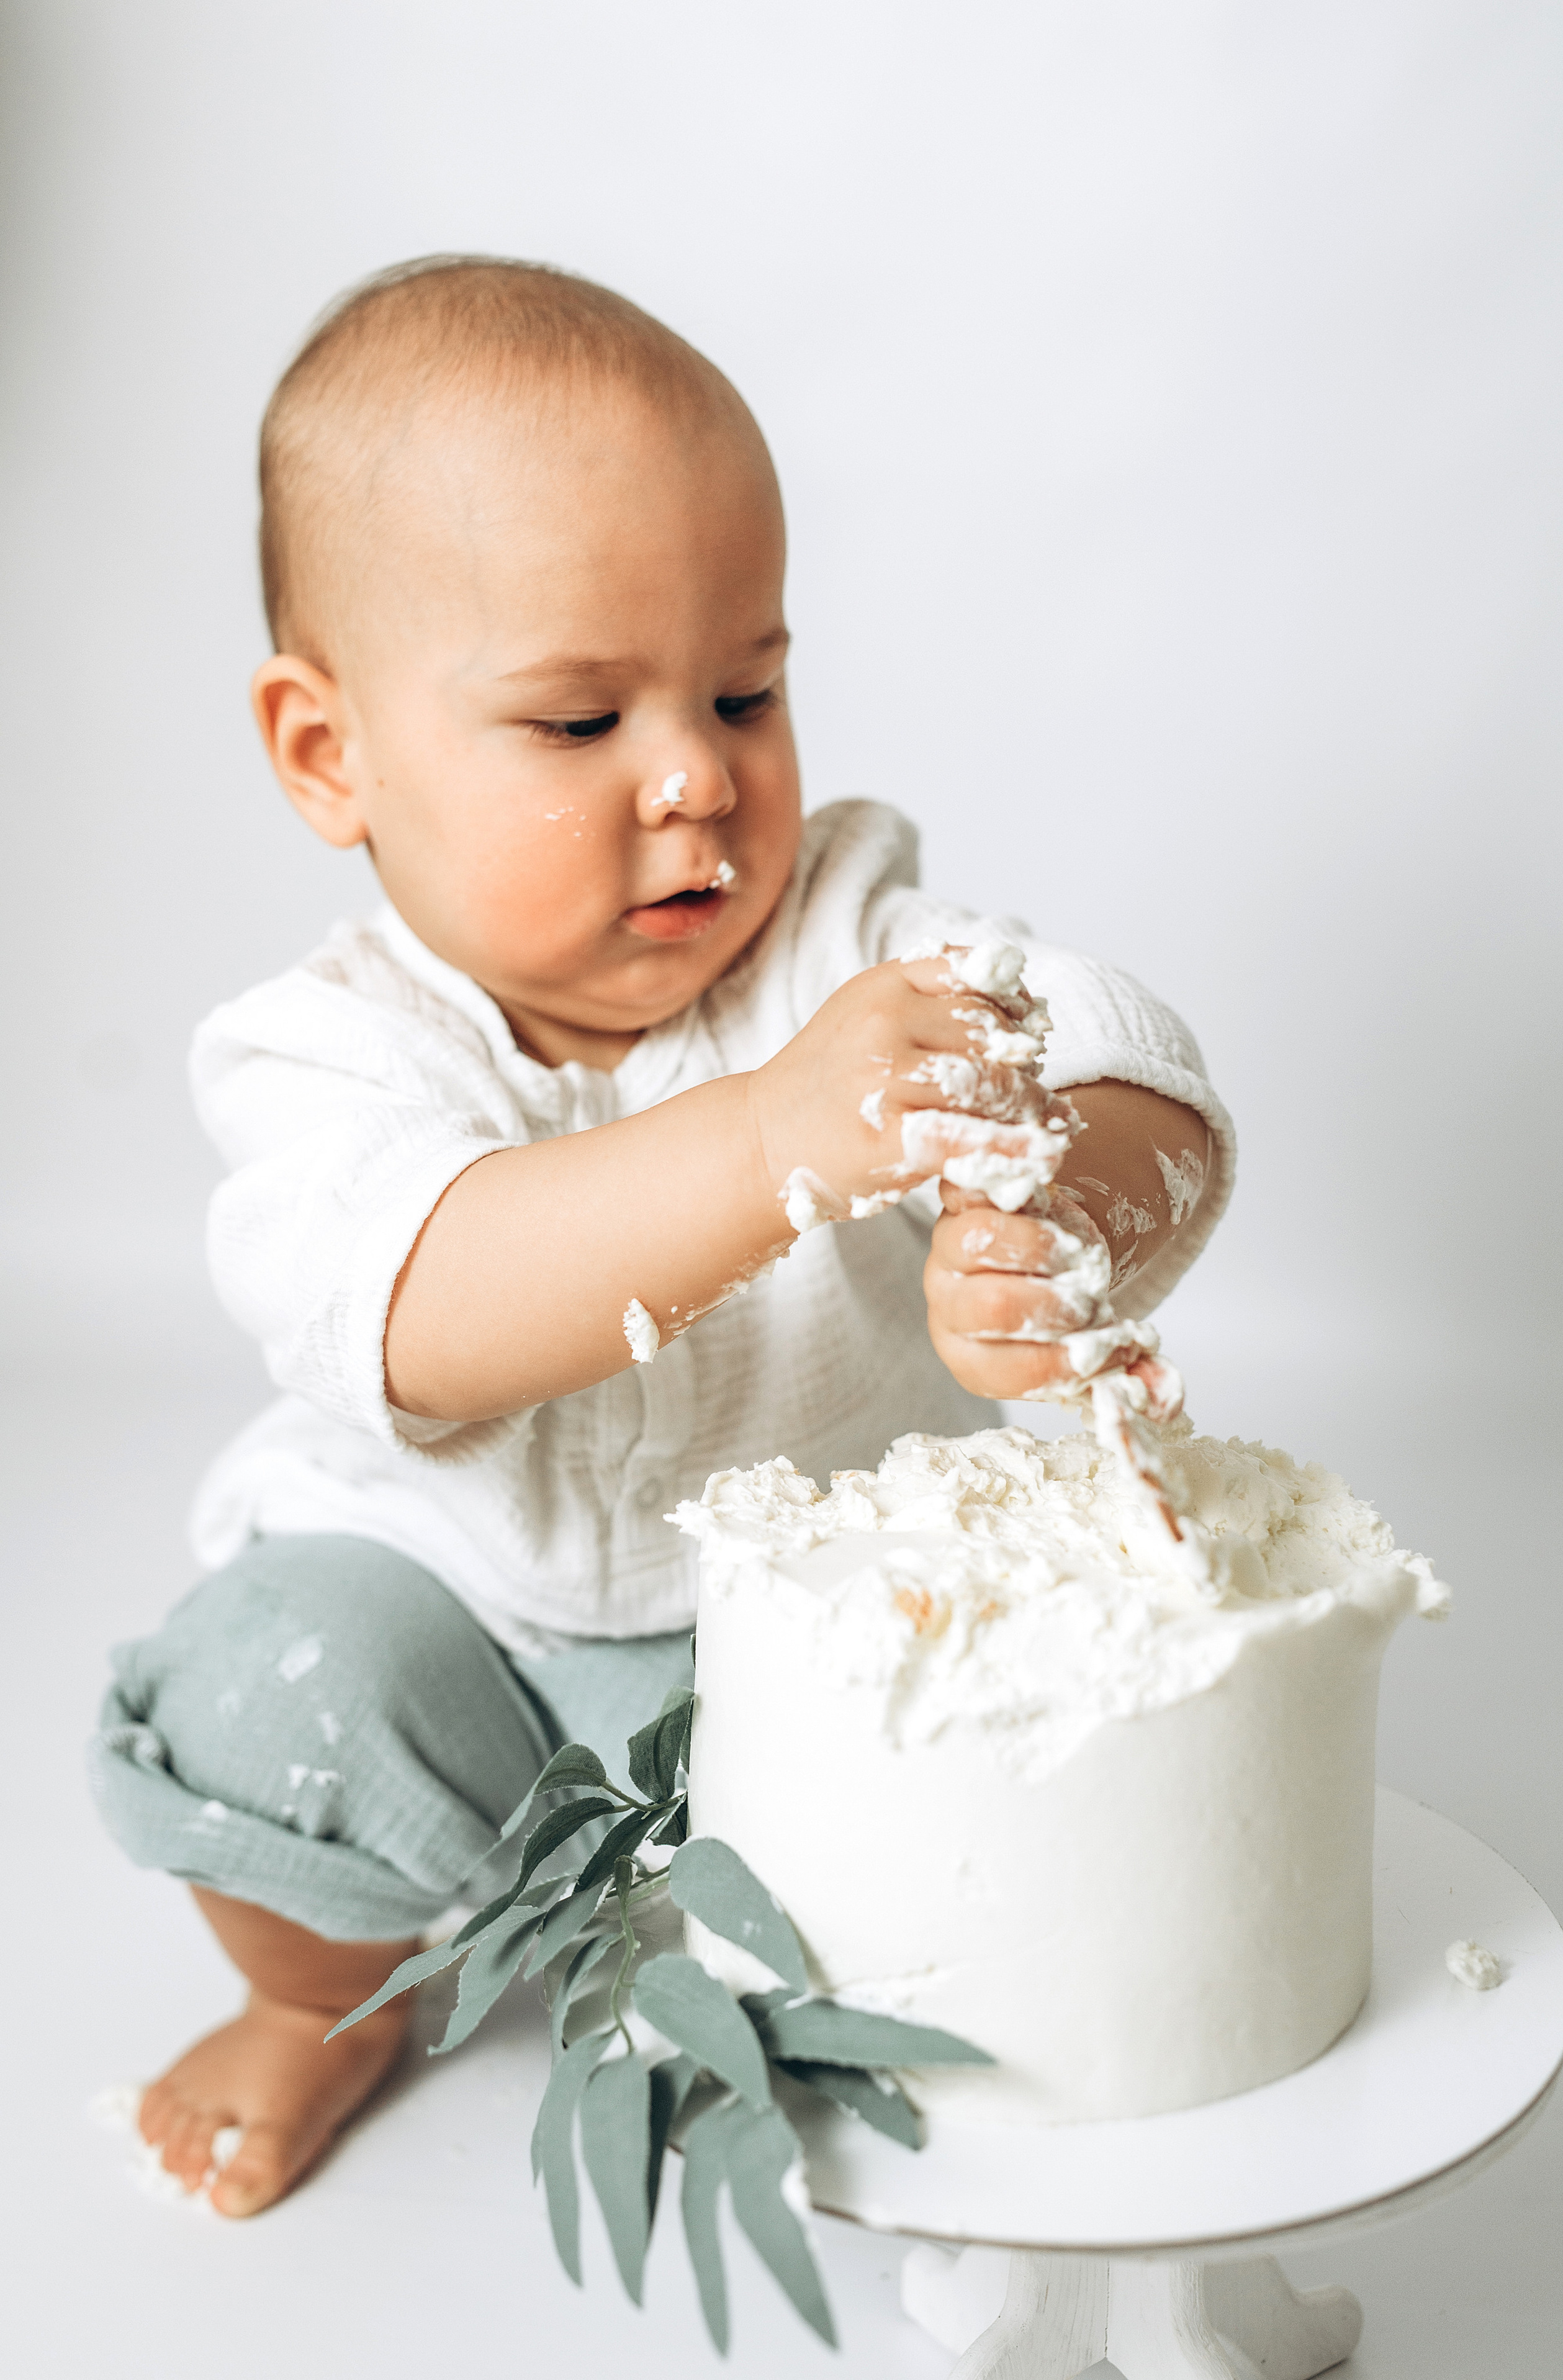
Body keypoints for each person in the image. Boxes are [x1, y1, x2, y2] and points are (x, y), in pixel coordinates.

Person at [90, 256, 1234, 2217]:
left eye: (744, 691)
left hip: (787, 1646)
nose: (698, 771)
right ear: (328, 752)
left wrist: (1057, 1202)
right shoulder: (322, 1053)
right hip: (451, 1618)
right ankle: (319, 1996)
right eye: (577, 716)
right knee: (265, 1689)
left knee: (968, 1831)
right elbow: (425, 1304)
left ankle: (740, 1977)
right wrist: (773, 1135)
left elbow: (1126, 1056)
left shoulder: (843, 944)